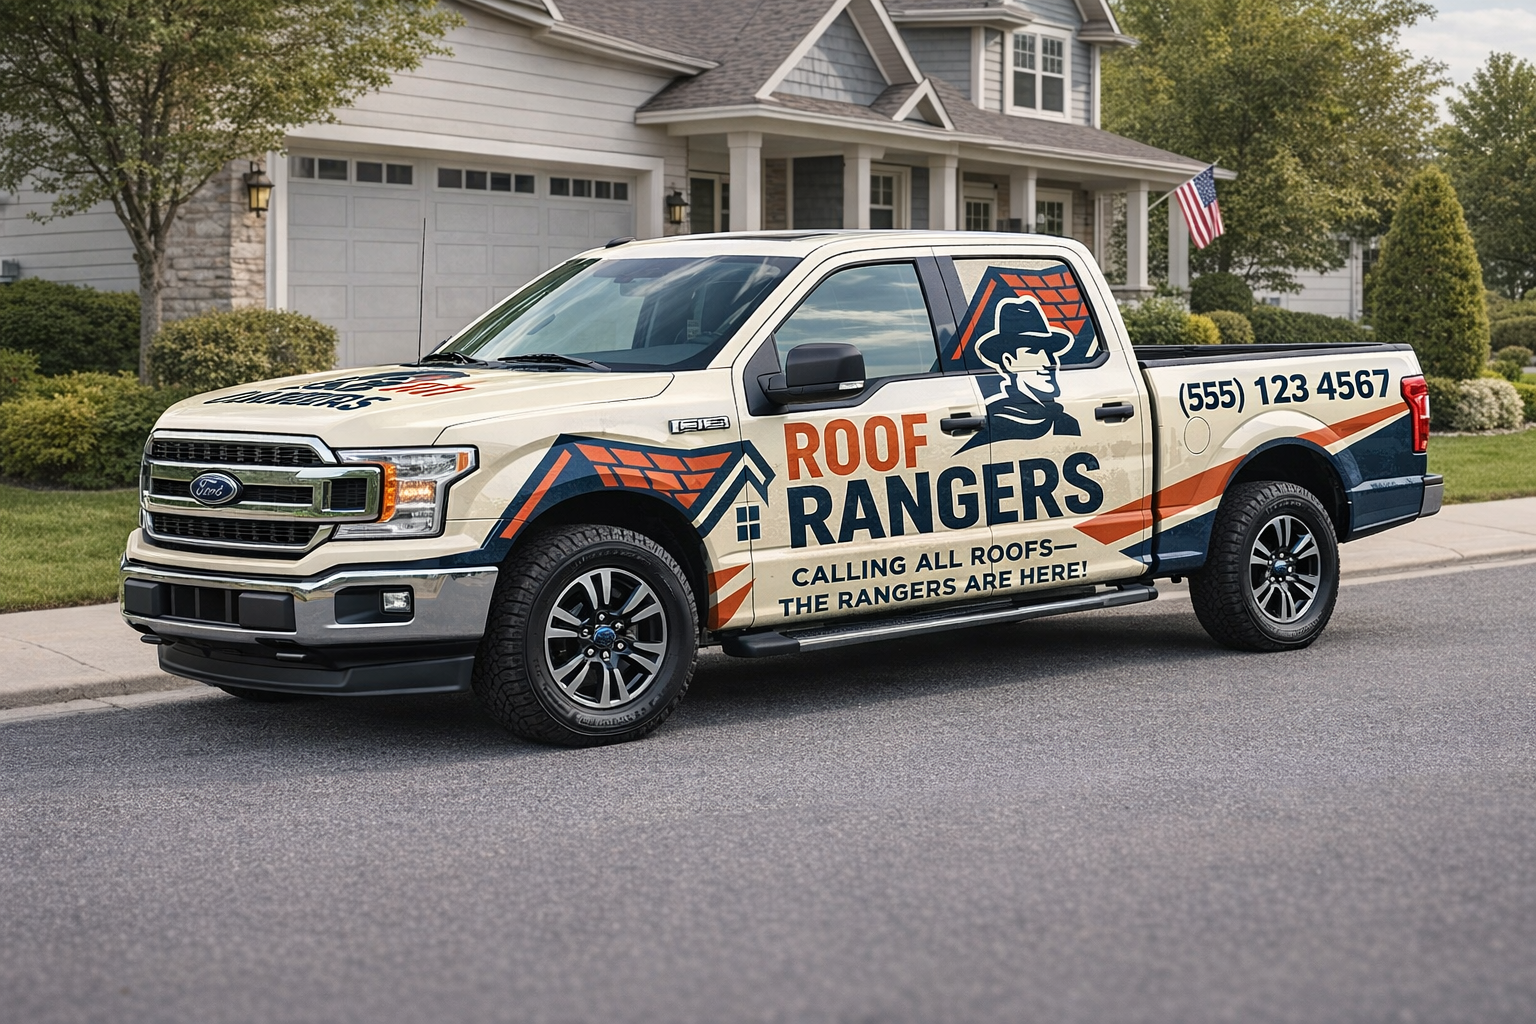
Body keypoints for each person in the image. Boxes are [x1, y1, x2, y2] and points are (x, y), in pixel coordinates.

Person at [972, 295, 1081, 440]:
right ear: (1008, 362)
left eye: (1050, 351)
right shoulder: (998, 422)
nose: (1049, 363)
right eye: (1034, 351)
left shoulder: (1065, 422)